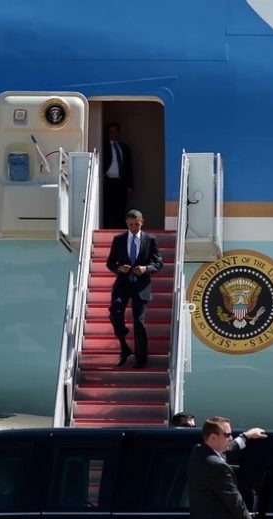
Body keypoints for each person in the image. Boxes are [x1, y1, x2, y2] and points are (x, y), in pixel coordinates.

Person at [105, 210, 162, 369]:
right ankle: (124, 346)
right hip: (122, 284)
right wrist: (119, 269)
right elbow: (110, 263)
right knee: (115, 312)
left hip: (141, 286)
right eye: (131, 225)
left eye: (136, 224)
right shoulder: (119, 240)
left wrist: (146, 268)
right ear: (126, 223)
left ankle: (141, 358)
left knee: (138, 321)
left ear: (142, 222)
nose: (134, 227)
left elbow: (158, 263)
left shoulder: (150, 240)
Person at [102, 122, 133, 229]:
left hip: (121, 182)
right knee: (108, 207)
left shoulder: (124, 147)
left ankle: (120, 229)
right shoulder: (103, 146)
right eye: (111, 131)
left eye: (116, 131)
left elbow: (129, 166)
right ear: (108, 133)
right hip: (108, 181)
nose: (114, 133)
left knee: (121, 207)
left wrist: (130, 185)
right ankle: (106, 228)